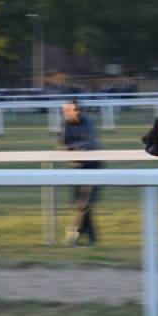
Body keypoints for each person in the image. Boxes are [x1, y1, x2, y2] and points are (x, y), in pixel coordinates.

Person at [60, 100, 101, 246]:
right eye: (73, 110)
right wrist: (77, 147)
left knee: (85, 203)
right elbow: (63, 145)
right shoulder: (65, 124)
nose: (77, 112)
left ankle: (73, 234)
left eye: (79, 109)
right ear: (66, 112)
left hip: (93, 166)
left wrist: (75, 147)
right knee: (81, 205)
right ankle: (92, 238)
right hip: (76, 168)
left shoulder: (88, 122)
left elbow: (91, 144)